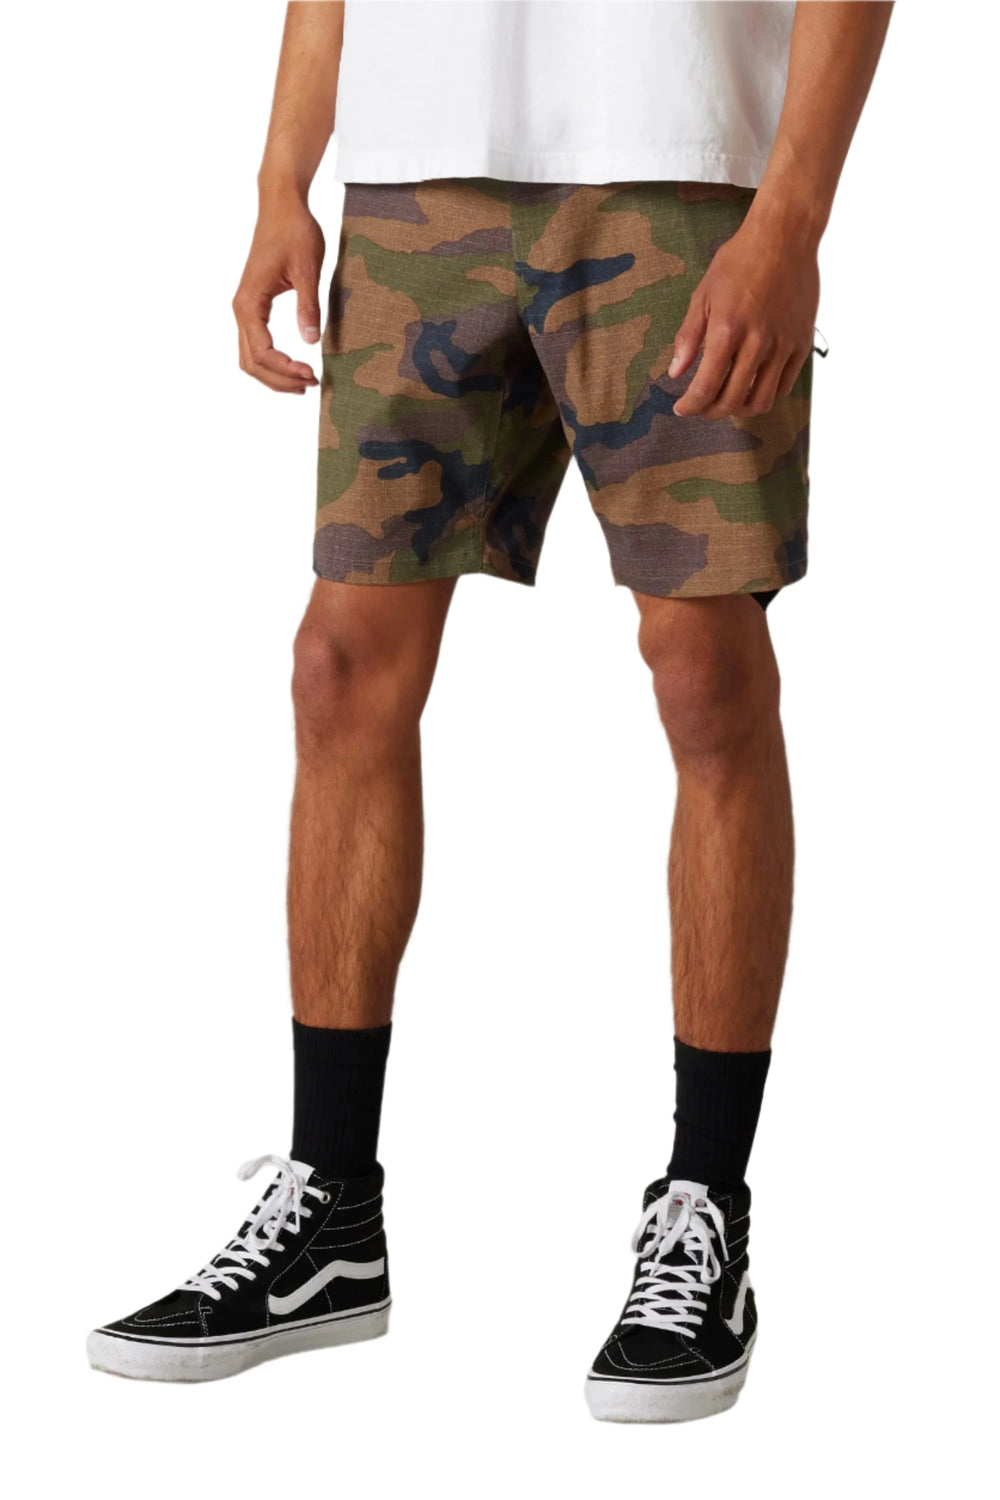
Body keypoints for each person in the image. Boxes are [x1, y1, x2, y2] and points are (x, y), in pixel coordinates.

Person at [87, 0, 892, 1420]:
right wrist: (281, 177)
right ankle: (331, 1209)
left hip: (680, 161)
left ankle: (704, 1206)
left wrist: (792, 218)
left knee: (706, 676)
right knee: (339, 668)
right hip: (417, 177)